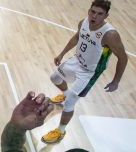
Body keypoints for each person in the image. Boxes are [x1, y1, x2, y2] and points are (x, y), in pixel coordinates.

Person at [42, 0, 127, 143]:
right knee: (54, 78)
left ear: (106, 16)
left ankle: (60, 131)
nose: (94, 16)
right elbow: (77, 37)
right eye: (92, 11)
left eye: (100, 14)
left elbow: (123, 58)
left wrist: (116, 81)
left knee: (70, 102)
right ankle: (66, 94)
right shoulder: (84, 22)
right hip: (77, 60)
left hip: (90, 72)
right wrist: (61, 54)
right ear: (89, 11)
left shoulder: (110, 34)